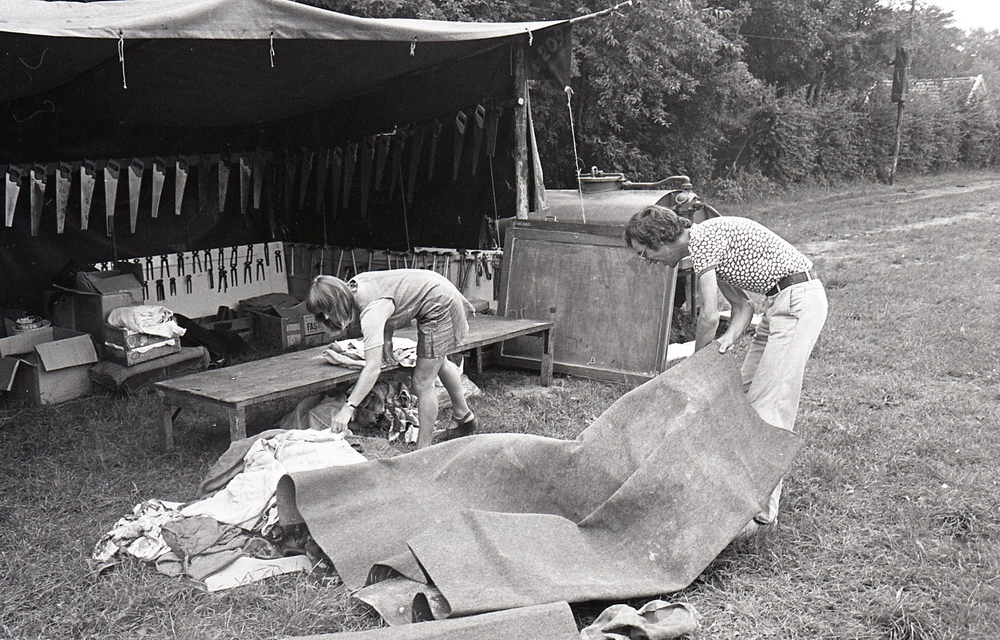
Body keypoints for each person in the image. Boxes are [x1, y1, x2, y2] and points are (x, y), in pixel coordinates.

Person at [624, 204, 828, 533]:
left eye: (644, 252)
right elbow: (742, 306)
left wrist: (696, 368)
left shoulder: (702, 240)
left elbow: (708, 316)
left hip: (797, 302)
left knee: (769, 408)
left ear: (659, 238)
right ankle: (738, 494)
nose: (646, 260)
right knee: (742, 399)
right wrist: (727, 340)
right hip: (779, 304)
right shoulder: (706, 244)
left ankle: (762, 516)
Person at [306, 269, 478, 449]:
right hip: (438, 289)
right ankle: (463, 416)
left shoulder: (371, 311)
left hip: (441, 304)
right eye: (321, 314)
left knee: (422, 382)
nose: (326, 317)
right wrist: (387, 338)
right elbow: (392, 296)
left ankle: (423, 450)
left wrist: (348, 408)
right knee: (439, 363)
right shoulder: (355, 286)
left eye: (327, 310)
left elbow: (372, 369)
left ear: (337, 300)